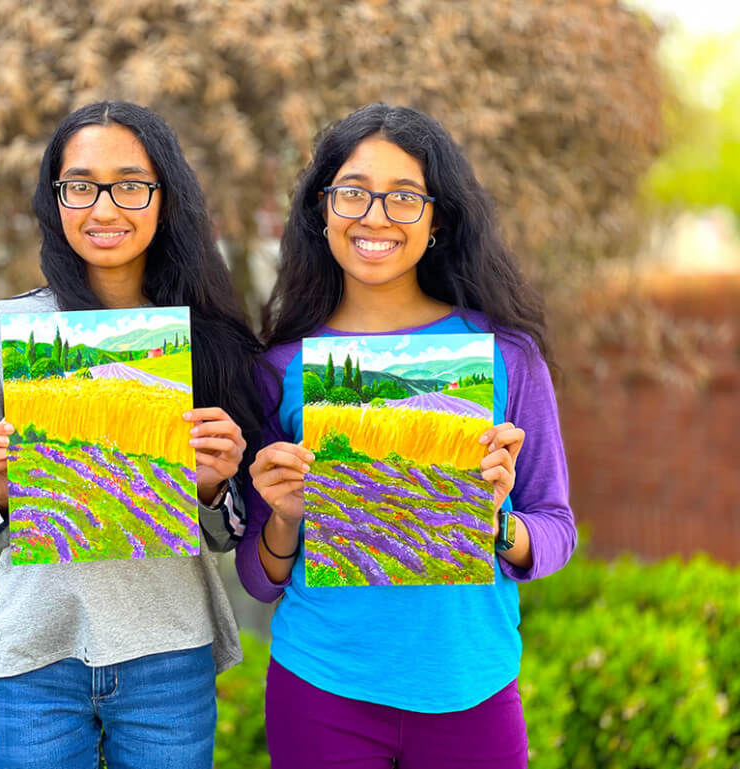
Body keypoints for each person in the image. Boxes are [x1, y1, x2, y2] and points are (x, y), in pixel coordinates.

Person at [236, 103, 577, 769]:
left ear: (437, 219)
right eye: (354, 193)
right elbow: (258, 574)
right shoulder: (280, 367)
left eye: (403, 198)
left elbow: (556, 527)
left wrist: (498, 524)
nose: (375, 215)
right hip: (321, 685)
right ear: (323, 210)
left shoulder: (504, 355)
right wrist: (283, 516)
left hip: (472, 686)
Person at [0, 100, 263, 769]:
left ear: (163, 197)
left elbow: (224, 533)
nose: (105, 207)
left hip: (168, 653)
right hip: (36, 652)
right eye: (81, 185)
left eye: (130, 184)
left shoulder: (206, 340)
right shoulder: (3, 330)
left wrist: (211, 483)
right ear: (54, 197)